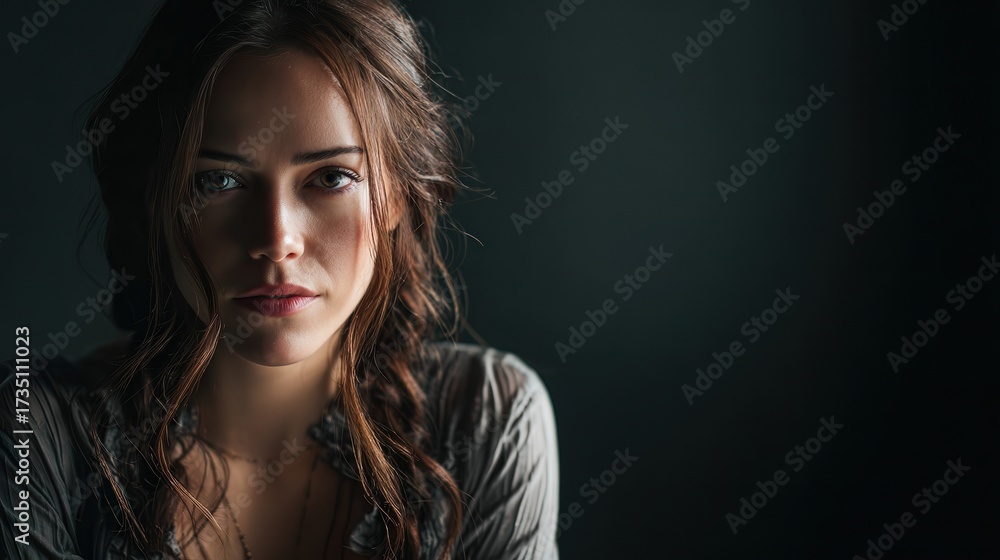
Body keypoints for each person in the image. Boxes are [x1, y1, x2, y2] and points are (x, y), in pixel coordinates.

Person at [0, 0, 560, 558]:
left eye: (331, 177)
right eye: (218, 180)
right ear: (154, 203)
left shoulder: (489, 422)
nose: (276, 238)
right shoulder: (31, 429)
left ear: (395, 194)